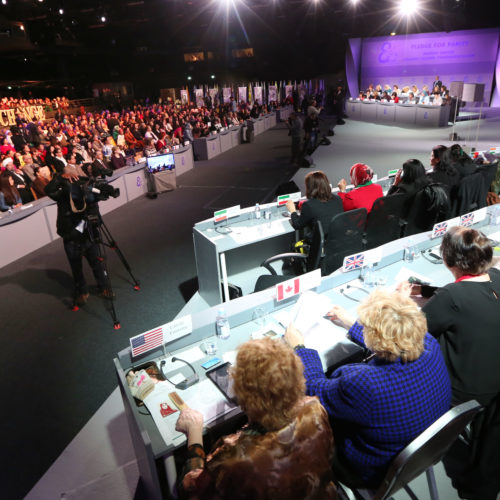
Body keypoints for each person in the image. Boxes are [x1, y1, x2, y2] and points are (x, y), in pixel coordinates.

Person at [284, 288, 451, 488]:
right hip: (420, 450)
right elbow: (396, 341)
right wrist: (350, 323)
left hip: (369, 469)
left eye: (364, 327)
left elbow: (313, 389)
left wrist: (299, 348)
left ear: (373, 335)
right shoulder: (429, 343)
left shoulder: (365, 384)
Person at [175, 338, 336, 499]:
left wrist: (194, 434)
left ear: (244, 396)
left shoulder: (234, 459)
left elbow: (193, 490)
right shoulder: (314, 409)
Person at [400, 226, 500, 406]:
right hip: (491, 384)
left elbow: (408, 334)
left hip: (458, 394)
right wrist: (423, 290)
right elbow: (472, 292)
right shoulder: (495, 276)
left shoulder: (452, 296)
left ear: (447, 259)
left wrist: (400, 301)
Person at [44, 167, 110, 305]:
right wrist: (60, 178)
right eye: (72, 179)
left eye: (77, 178)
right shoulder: (62, 193)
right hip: (70, 234)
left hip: (88, 232)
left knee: (96, 262)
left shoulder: (86, 190)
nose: (75, 183)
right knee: (76, 267)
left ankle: (103, 287)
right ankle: (82, 291)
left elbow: (96, 203)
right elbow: (48, 190)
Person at [286, 170, 342, 241]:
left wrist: (292, 211)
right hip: (338, 241)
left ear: (310, 187)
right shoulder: (337, 198)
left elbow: (298, 225)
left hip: (321, 245)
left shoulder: (309, 205)